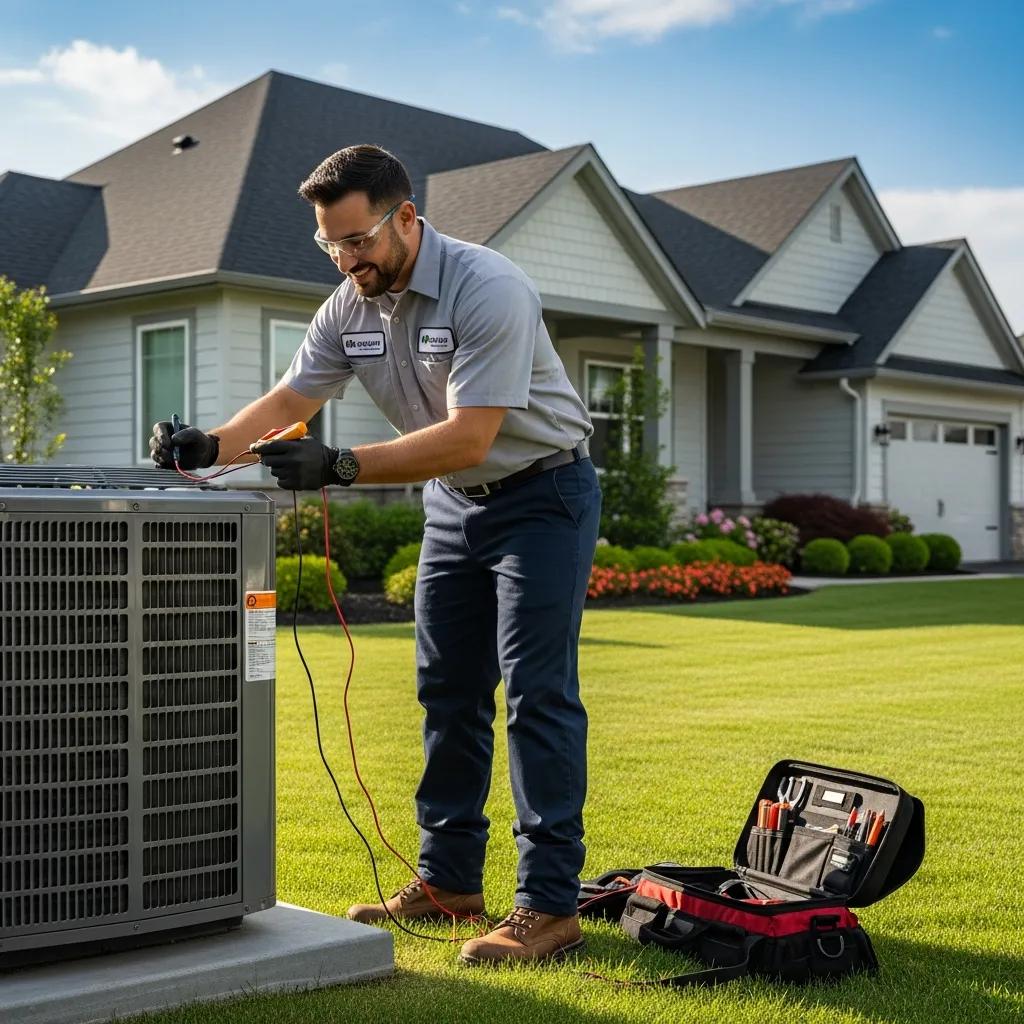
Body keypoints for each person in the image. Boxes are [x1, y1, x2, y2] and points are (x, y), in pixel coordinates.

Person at [150, 144, 601, 965]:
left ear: (405, 217)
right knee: (447, 693)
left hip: (544, 496)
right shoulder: (348, 305)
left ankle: (548, 908)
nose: (347, 259)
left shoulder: (486, 286)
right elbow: (294, 399)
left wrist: (341, 465)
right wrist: (205, 444)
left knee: (538, 696)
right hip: (454, 508)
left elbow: (473, 436)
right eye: (332, 245)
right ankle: (450, 883)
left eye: (358, 240)